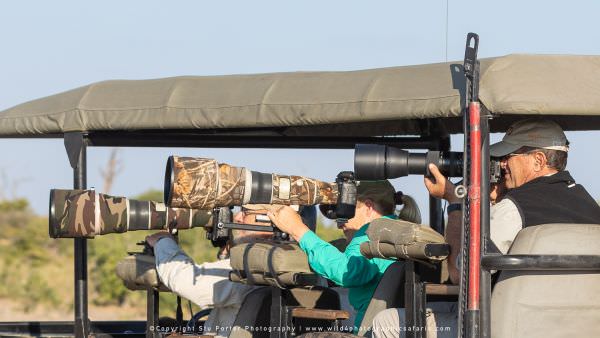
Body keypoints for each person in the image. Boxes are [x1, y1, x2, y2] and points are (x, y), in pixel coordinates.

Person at [371, 118, 600, 338]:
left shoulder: (514, 208)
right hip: (570, 326)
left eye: (508, 156)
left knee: (388, 322)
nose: (501, 164)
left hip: (506, 326)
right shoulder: (591, 208)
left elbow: (460, 276)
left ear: (538, 160)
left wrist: (455, 202)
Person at [145, 206, 317, 338]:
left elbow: (183, 279)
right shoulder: (306, 267)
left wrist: (163, 242)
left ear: (280, 221)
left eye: (246, 212)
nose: (237, 217)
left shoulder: (256, 269)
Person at [267, 180, 399, 332]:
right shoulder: (395, 231)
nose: (339, 223)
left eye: (345, 211)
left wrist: (298, 230)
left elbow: (345, 271)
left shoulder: (372, 234)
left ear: (368, 207)